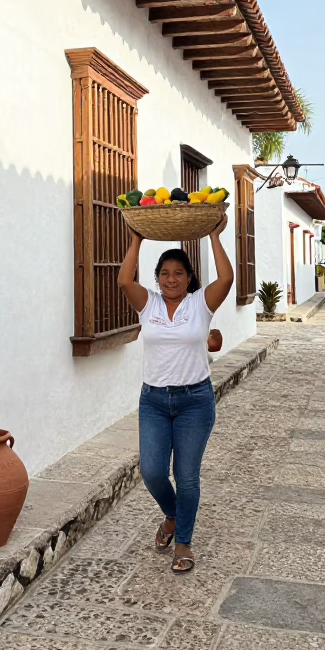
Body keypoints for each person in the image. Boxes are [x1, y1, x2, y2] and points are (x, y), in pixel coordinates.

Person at [117, 217, 233, 574]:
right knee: (152, 472)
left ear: (188, 277)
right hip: (153, 400)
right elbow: (124, 279)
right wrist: (136, 240)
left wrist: (214, 236)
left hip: (194, 401)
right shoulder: (147, 304)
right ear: (157, 277)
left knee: (186, 475)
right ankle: (172, 513)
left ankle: (183, 540)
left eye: (179, 273)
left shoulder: (201, 303)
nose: (171, 278)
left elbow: (226, 278)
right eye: (165, 273)